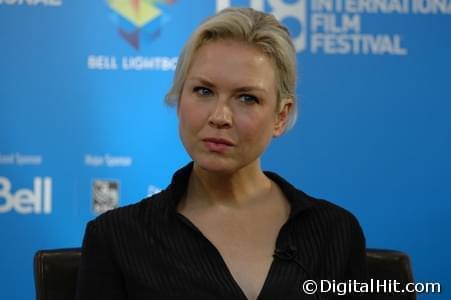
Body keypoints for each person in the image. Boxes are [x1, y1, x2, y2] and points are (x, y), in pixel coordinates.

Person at [76, 7, 368, 300]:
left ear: (281, 116)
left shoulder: (335, 232)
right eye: (203, 91)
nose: (220, 116)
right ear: (179, 101)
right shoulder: (117, 237)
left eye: (247, 98)